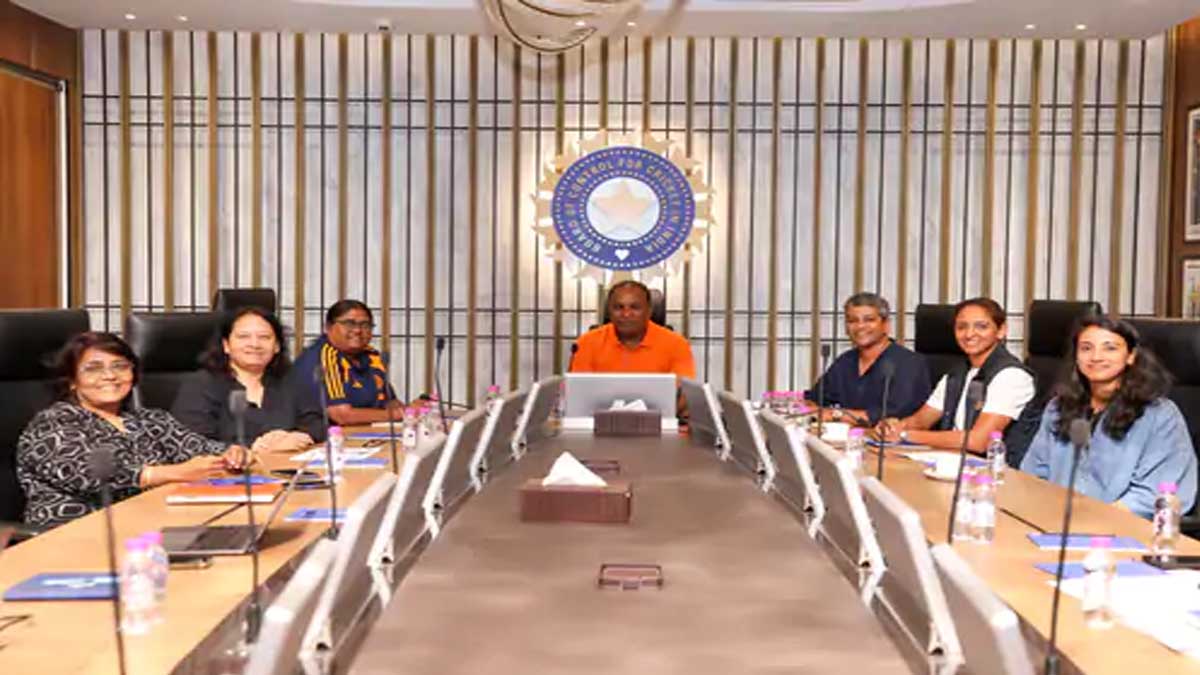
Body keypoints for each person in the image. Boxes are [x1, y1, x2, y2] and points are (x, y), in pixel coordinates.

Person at [17, 332, 249, 529]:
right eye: (93, 369)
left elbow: (200, 449)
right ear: (72, 381)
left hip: (148, 529)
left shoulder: (150, 419)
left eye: (120, 366)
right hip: (75, 537)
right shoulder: (52, 424)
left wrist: (231, 454)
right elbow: (91, 475)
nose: (109, 376)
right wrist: (175, 472)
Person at [1021, 317, 1197, 518]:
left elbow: (1155, 494)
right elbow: (1033, 473)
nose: (1096, 357)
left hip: (1125, 530)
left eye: (1110, 348)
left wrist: (1094, 519)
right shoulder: (1058, 407)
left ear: (1130, 356)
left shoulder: (1159, 414)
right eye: (1086, 348)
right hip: (1056, 524)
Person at [877, 297, 1040, 464]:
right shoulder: (956, 373)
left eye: (981, 326)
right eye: (962, 327)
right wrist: (895, 426)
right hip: (949, 465)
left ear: (1001, 330)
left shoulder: (1012, 376)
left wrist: (906, 435)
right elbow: (921, 421)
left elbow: (979, 441)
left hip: (995, 475)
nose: (969, 334)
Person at [173, 307, 324, 452]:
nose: (255, 344)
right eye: (243, 337)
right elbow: (192, 441)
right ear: (226, 345)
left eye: (264, 337)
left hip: (283, 469)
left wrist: (298, 436)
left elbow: (318, 423)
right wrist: (258, 446)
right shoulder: (201, 384)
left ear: (277, 346)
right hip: (224, 474)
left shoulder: (290, 380)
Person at [804, 292, 931, 425]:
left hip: (891, 442)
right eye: (852, 321)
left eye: (869, 320)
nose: (860, 327)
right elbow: (816, 398)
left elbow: (892, 416)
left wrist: (836, 415)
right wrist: (805, 408)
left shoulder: (910, 364)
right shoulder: (845, 361)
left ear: (886, 325)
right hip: (843, 439)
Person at [292, 299, 401, 426]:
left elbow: (389, 401)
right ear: (328, 327)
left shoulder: (371, 355)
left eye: (365, 325)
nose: (358, 331)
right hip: (323, 437)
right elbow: (342, 415)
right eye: (349, 324)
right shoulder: (324, 356)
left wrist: (414, 411)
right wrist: (397, 414)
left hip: (368, 434)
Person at [570, 280, 696, 380]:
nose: (626, 314)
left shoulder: (677, 344)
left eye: (635, 307)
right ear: (609, 311)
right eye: (618, 307)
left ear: (649, 310)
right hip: (597, 412)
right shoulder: (587, 343)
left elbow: (683, 395)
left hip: (658, 412)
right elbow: (577, 391)